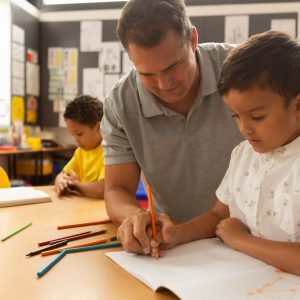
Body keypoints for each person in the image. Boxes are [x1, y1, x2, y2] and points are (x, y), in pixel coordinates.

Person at [150, 31, 300, 276]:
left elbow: (232, 233)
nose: (244, 128)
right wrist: (176, 234)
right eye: (236, 116)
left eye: (257, 117)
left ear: (297, 106)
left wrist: (242, 241)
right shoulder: (243, 154)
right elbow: (219, 214)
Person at [101, 0, 242, 254]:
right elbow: (117, 189)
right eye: (147, 74)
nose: (164, 84)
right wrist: (134, 217)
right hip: (174, 244)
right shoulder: (121, 103)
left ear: (193, 39)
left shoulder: (244, 69)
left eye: (173, 66)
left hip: (255, 238)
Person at [55, 95, 105, 198]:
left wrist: (76, 185)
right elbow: (61, 175)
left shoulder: (109, 152)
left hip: (101, 211)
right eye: (73, 135)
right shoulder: (81, 152)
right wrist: (61, 183)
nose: (76, 140)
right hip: (83, 208)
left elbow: (102, 189)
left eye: (79, 134)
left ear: (98, 127)